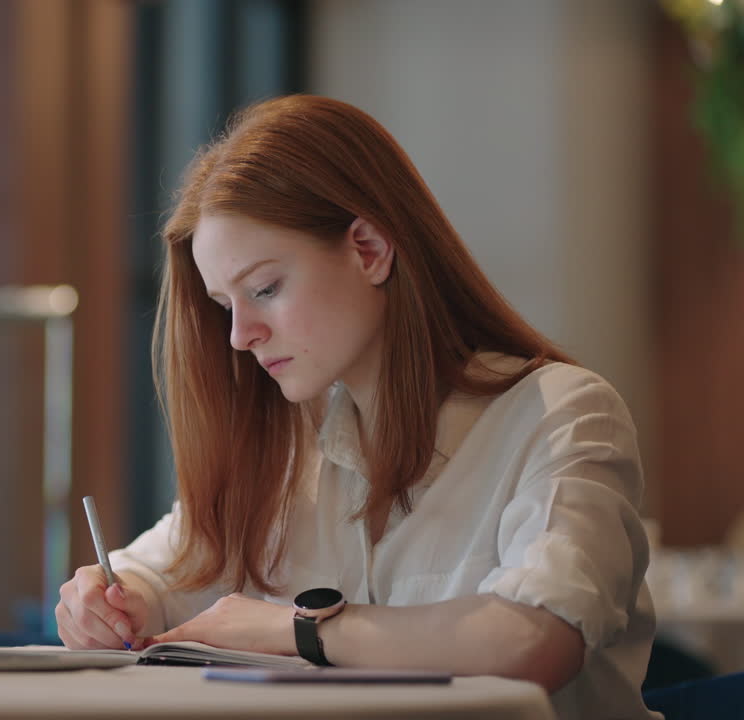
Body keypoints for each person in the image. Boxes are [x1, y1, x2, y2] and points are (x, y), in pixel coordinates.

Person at [55, 95, 656, 719]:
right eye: (225, 305)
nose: (240, 335)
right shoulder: (286, 447)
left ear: (369, 249)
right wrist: (109, 600)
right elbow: (162, 571)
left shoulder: (560, 416)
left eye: (264, 288)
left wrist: (297, 630)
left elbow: (536, 640)